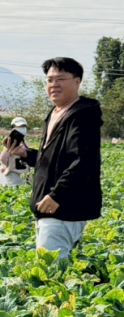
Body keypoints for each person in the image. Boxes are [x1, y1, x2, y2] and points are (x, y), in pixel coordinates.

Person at [12, 58, 102, 259]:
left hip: (63, 208)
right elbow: (54, 161)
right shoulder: (56, 113)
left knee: (50, 274)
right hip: (50, 209)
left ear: (77, 81)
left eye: (60, 79)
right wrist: (26, 154)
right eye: (50, 80)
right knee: (56, 269)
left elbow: (83, 162)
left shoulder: (83, 116)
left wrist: (57, 195)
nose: (54, 85)